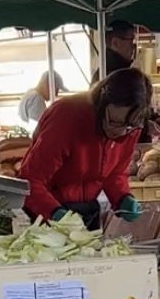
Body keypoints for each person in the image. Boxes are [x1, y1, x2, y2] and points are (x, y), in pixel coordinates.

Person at [18, 68, 150, 231]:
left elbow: (114, 173)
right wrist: (54, 213)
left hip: (88, 209)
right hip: (48, 212)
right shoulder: (66, 117)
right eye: (114, 122)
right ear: (102, 103)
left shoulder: (133, 125)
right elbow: (30, 180)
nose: (120, 132)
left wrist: (122, 197)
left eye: (129, 126)